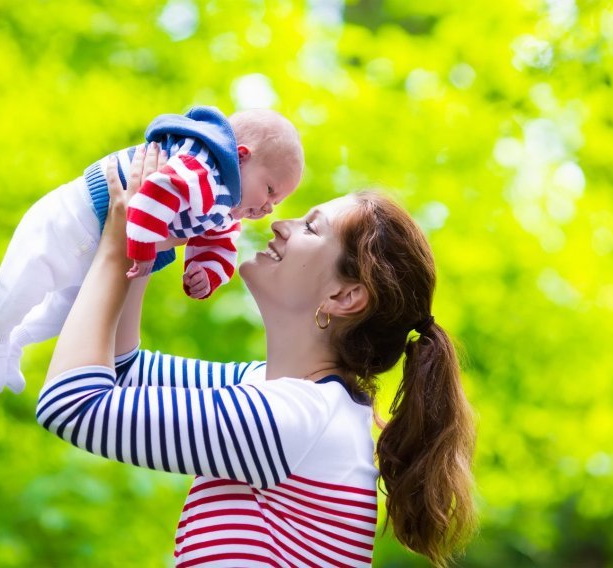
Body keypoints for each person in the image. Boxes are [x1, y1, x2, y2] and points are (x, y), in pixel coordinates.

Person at [36, 145, 476, 567]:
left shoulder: (294, 418)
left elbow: (71, 405)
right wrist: (146, 241)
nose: (281, 224)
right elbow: (123, 370)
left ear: (345, 295)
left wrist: (117, 247)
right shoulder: (270, 389)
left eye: (311, 227)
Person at [0, 106, 304, 396]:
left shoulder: (224, 208)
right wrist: (145, 250)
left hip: (98, 256)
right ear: (242, 156)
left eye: (276, 202)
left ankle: (16, 343)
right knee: (22, 285)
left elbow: (220, 244)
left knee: (63, 315)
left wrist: (205, 273)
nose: (267, 208)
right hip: (71, 222)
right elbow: (154, 194)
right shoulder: (200, 166)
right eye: (269, 189)